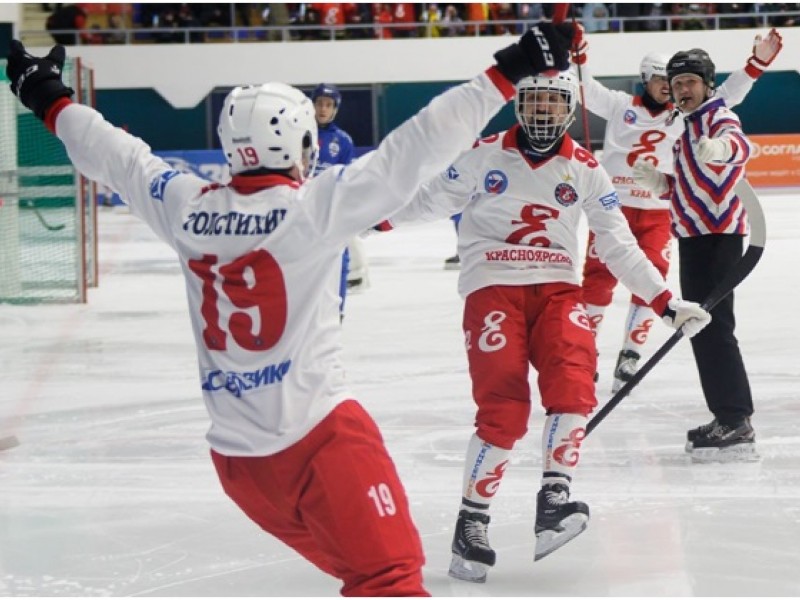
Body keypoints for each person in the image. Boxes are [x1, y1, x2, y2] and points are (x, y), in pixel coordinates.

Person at [5, 22, 578, 596]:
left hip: (239, 465)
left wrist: (46, 95)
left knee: (365, 575)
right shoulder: (314, 207)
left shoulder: (185, 207)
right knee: (391, 578)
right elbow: (418, 144)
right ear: (302, 142)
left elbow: (118, 157)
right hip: (320, 441)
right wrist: (510, 67)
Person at [378, 70, 711, 582]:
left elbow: (617, 244)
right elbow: (428, 201)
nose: (543, 111)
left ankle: (554, 498)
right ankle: (471, 523)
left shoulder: (586, 168)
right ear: (519, 104)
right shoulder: (484, 153)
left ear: (569, 110)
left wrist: (666, 303)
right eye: (534, 101)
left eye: (553, 103)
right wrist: (368, 218)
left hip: (557, 289)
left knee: (575, 383)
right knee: (503, 409)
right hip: (492, 285)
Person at [572, 27, 782, 393]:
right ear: (646, 80)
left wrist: (755, 65)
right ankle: (584, 355)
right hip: (615, 208)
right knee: (597, 280)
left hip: (658, 210)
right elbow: (585, 90)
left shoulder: (684, 114)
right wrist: (579, 56)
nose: (669, 88)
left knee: (651, 279)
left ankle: (631, 354)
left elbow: (726, 96)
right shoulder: (622, 105)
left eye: (676, 82)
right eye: (663, 80)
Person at [633, 48, 760, 464]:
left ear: (707, 85)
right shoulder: (686, 127)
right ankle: (725, 415)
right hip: (693, 235)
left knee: (716, 327)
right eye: (677, 84)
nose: (683, 90)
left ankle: (736, 419)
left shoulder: (717, 117)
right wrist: (662, 184)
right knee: (702, 328)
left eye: (690, 82)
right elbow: (690, 184)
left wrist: (722, 149)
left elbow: (739, 145)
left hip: (718, 235)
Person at [310, 82, 366, 320]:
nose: (323, 109)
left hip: (330, 209)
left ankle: (338, 310)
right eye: (319, 104)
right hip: (302, 209)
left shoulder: (342, 140)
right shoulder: (300, 134)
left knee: (339, 258)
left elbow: (347, 177)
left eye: (328, 105)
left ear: (335, 109)